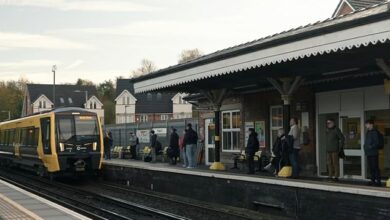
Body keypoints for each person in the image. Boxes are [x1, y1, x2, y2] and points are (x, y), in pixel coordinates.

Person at [364, 120, 381, 187]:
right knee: (371, 168)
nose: (366, 125)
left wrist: (370, 146)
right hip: (369, 153)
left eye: (367, 124)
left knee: (375, 167)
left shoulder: (374, 132)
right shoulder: (368, 132)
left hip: (373, 153)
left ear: (371, 124)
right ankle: (373, 181)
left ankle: (378, 182)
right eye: (366, 124)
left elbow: (376, 142)